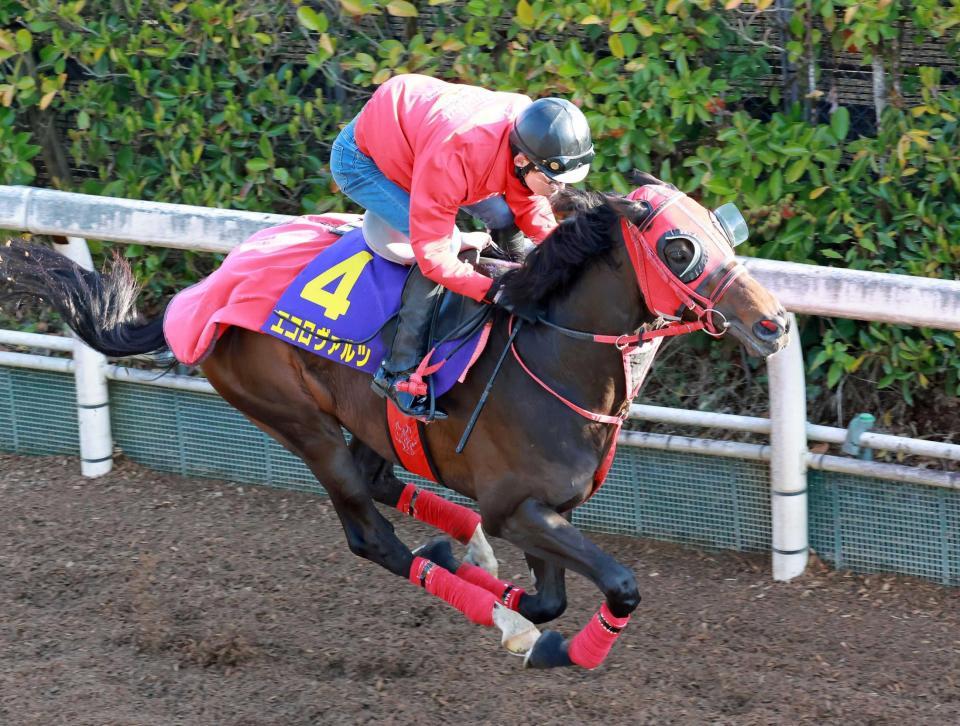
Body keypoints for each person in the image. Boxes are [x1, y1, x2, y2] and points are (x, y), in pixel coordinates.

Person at [330, 73, 594, 421]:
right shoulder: (457, 158)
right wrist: (495, 290)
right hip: (366, 163)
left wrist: (563, 256)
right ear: (521, 160)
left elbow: (527, 200)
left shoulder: (526, 127)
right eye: (554, 180)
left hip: (424, 142)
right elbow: (435, 259)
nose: (559, 191)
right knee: (448, 243)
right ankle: (397, 373)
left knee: (502, 215)